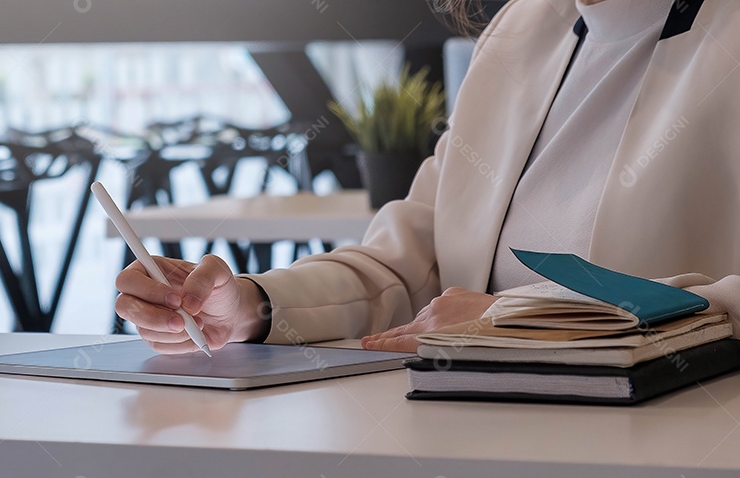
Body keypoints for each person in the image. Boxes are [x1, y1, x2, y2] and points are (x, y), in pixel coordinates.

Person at [115, 0, 740, 354]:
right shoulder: (522, 30)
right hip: (471, 437)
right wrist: (250, 304)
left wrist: (518, 322)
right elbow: (408, 266)